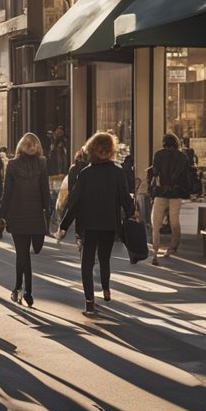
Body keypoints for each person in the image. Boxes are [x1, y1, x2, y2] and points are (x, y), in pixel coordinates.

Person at [58, 131, 136, 317]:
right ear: (111, 151)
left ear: (91, 150)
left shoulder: (85, 174)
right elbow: (125, 198)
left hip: (89, 225)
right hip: (109, 224)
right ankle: (106, 289)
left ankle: (89, 302)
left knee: (87, 262)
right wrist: (132, 213)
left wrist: (64, 225)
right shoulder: (118, 172)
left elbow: (75, 202)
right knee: (104, 258)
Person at [0, 133, 50, 307]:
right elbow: (45, 191)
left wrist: (2, 215)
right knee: (26, 254)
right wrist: (47, 214)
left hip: (17, 215)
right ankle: (26, 291)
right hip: (35, 215)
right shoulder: (42, 164)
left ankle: (20, 289)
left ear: (20, 146)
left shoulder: (12, 165)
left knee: (22, 253)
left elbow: (7, 193)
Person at [147, 133, 194, 265]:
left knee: (156, 223)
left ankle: (155, 250)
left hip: (161, 193)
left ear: (164, 143)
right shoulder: (182, 156)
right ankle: (172, 247)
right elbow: (186, 176)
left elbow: (155, 174)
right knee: (174, 220)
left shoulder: (158, 154)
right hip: (176, 193)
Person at [46, 125, 70, 218]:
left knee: (61, 193)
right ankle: (53, 213)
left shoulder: (64, 141)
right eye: (58, 131)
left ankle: (58, 213)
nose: (60, 133)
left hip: (62, 172)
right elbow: (49, 156)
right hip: (53, 172)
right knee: (53, 194)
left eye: (62, 131)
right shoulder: (50, 141)